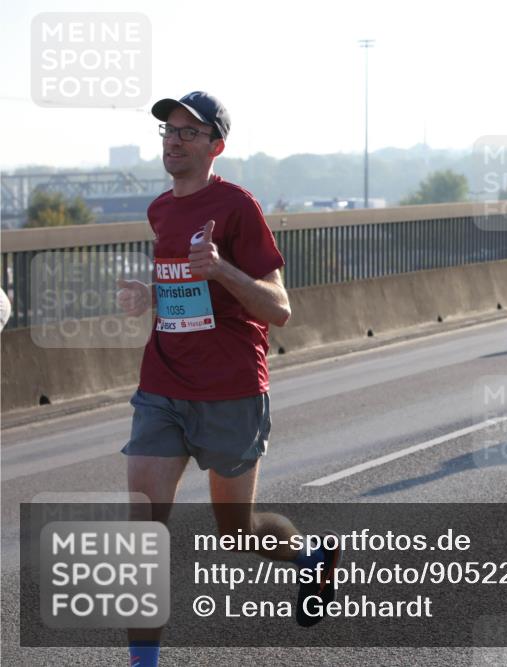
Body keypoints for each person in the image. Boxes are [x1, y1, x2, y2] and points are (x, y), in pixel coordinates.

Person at [116, 91, 340, 666]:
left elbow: (279, 308)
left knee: (237, 534)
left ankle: (310, 557)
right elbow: (183, 288)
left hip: (231, 390)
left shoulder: (237, 206)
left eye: (189, 132)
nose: (174, 140)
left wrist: (221, 268)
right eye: (169, 130)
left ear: (216, 145)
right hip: (163, 386)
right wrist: (150, 294)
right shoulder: (160, 210)